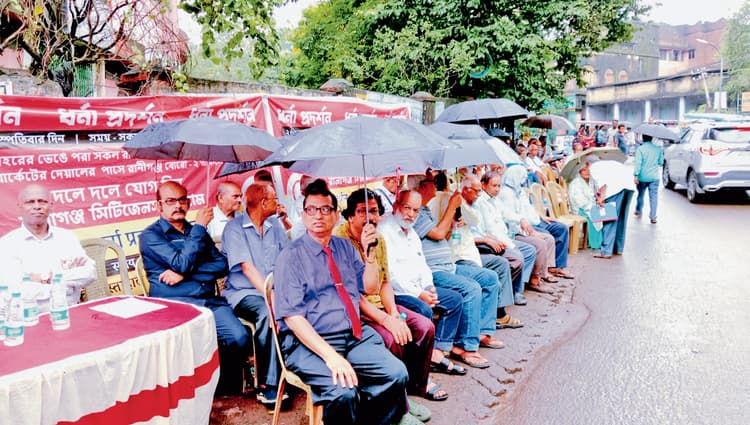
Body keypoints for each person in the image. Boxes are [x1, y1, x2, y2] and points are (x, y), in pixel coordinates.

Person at [273, 179, 410, 425]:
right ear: (303, 216)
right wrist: (331, 356)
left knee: (396, 374)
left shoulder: (344, 247)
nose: (318, 215)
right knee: (344, 392)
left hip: (353, 335)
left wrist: (369, 254)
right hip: (309, 343)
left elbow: (368, 288)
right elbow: (292, 318)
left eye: (325, 209)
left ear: (336, 215)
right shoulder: (290, 257)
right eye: (311, 209)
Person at [334, 188, 444, 414]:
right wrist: (387, 320)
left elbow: (385, 282)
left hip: (380, 303)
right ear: (350, 216)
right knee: (391, 337)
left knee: (424, 327)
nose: (369, 217)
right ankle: (395, 398)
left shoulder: (379, 238)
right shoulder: (340, 240)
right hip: (355, 309)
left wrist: (393, 312)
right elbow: (354, 295)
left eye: (374, 211)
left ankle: (414, 388)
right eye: (362, 211)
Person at [139, 181, 248, 395]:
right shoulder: (151, 236)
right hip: (176, 306)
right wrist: (199, 229)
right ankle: (194, 392)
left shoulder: (194, 231)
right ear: (159, 205)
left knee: (239, 337)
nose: (178, 206)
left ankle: (220, 388)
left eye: (182, 200)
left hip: (209, 302)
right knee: (187, 348)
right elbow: (181, 262)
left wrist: (183, 273)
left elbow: (221, 264)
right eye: (171, 201)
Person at [411, 181, 504, 367]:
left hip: (449, 266)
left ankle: (481, 332)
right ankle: (465, 346)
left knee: (489, 278)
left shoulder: (426, 210)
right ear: (421, 187)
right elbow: (438, 233)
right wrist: (452, 206)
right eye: (430, 183)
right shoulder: (415, 213)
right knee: (471, 288)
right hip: (434, 270)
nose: (435, 186)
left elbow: (442, 236)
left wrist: (452, 224)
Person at [220, 182, 288, 407]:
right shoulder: (235, 228)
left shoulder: (275, 224)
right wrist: (271, 298)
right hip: (244, 293)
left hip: (275, 289)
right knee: (267, 313)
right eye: (274, 198)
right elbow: (247, 269)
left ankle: (296, 370)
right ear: (263, 202)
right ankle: (268, 384)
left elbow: (286, 259)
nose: (278, 202)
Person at [434, 176, 522, 329]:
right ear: (466, 189)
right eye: (476, 191)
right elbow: (443, 235)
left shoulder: (465, 204)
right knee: (488, 278)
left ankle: (499, 312)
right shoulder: (442, 202)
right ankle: (488, 323)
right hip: (458, 256)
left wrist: (460, 208)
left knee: (501, 264)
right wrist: (453, 210)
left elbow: (475, 221)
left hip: (472, 252)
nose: (479, 195)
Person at [0, 184, 96, 312]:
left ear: (51, 206)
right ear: (19, 207)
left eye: (42, 201)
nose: (37, 206)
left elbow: (90, 272)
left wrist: (45, 278)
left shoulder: (66, 237)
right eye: (30, 202)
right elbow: (16, 290)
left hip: (71, 311)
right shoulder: (7, 244)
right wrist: (66, 286)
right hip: (32, 317)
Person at [466, 173, 537, 307]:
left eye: (499, 186)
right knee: (517, 257)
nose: (497, 189)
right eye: (494, 186)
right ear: (484, 185)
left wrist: (521, 219)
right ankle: (512, 291)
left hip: (503, 238)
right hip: (493, 241)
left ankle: (517, 288)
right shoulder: (480, 202)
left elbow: (506, 213)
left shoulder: (494, 200)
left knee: (530, 250)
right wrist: (509, 244)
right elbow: (488, 231)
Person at [498, 166, 560, 293]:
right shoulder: (505, 194)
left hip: (523, 228)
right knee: (540, 243)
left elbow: (527, 211)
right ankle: (535, 280)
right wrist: (530, 232)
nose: (524, 180)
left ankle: (543, 273)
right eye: (521, 177)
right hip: (512, 232)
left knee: (548, 238)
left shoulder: (519, 191)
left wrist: (535, 223)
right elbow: (510, 219)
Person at [589, 160, 636, 258]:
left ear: (588, 163)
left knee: (610, 219)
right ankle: (618, 248)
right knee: (622, 218)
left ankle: (606, 251)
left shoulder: (593, 167)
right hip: (629, 187)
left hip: (615, 188)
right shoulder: (606, 164)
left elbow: (603, 184)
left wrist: (601, 199)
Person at [568, 159, 606, 249]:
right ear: (580, 171)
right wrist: (593, 206)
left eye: (589, 170)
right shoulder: (576, 183)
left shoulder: (592, 181)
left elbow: (596, 193)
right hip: (580, 208)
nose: (587, 172)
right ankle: (595, 243)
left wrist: (599, 200)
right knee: (595, 213)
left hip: (591, 205)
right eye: (584, 170)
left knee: (606, 211)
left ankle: (604, 240)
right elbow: (578, 200)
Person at [633, 134, 664, 223]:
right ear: (652, 138)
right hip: (654, 177)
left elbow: (638, 163)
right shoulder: (658, 149)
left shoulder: (640, 149)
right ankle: (653, 217)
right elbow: (661, 162)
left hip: (642, 177)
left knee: (640, 194)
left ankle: (638, 211)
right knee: (653, 197)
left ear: (643, 138)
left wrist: (636, 175)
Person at [206, 181, 243, 247]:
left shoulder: (243, 217)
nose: (240, 200)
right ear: (221, 198)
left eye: (241, 196)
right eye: (235, 196)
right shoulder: (208, 218)